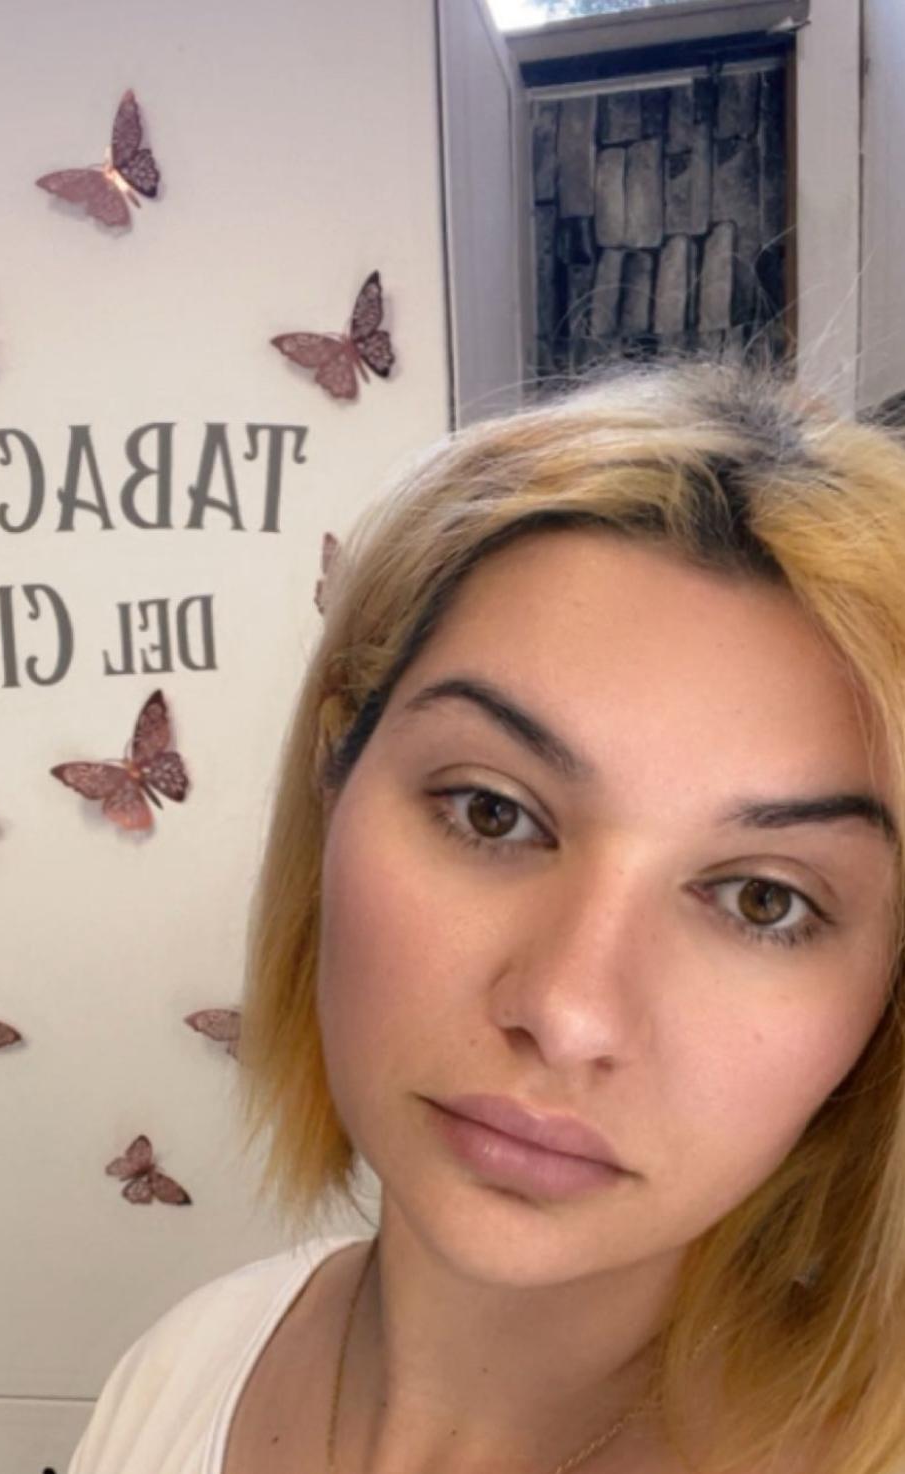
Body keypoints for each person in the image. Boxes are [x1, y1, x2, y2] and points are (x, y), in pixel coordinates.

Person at [67, 360, 905, 1474]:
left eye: (765, 900)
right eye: (491, 811)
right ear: (334, 777)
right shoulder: (184, 1370)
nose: (566, 1012)